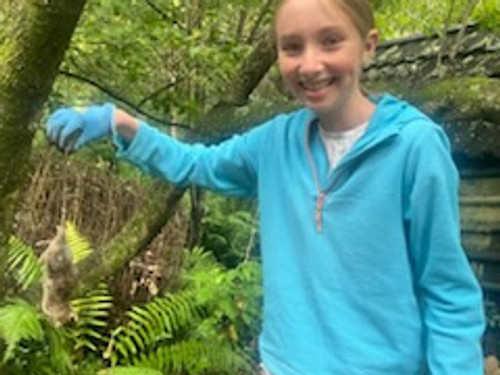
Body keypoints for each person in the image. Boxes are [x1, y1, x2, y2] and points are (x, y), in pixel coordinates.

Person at [46, 0, 486, 374]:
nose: (310, 64)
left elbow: (447, 292)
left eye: (331, 41)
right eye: (291, 47)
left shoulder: (414, 147)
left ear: (368, 45)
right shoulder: (275, 141)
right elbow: (195, 163)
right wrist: (116, 122)